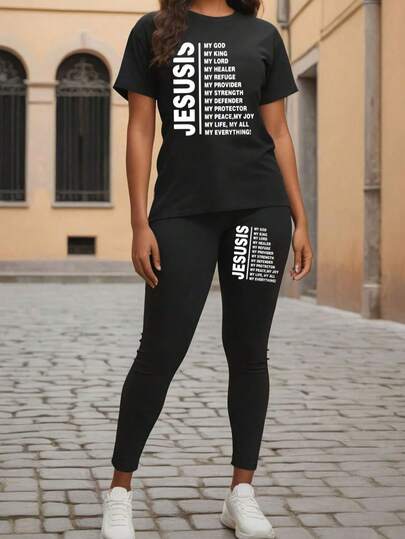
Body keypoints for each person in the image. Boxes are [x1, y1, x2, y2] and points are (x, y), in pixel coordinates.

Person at [101, 0, 312, 537]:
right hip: (181, 215)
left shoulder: (263, 35)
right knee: (159, 351)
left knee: (249, 352)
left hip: (258, 212)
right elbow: (141, 128)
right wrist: (139, 222)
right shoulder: (154, 30)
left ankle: (241, 492)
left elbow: (278, 133)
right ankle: (120, 493)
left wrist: (300, 219)